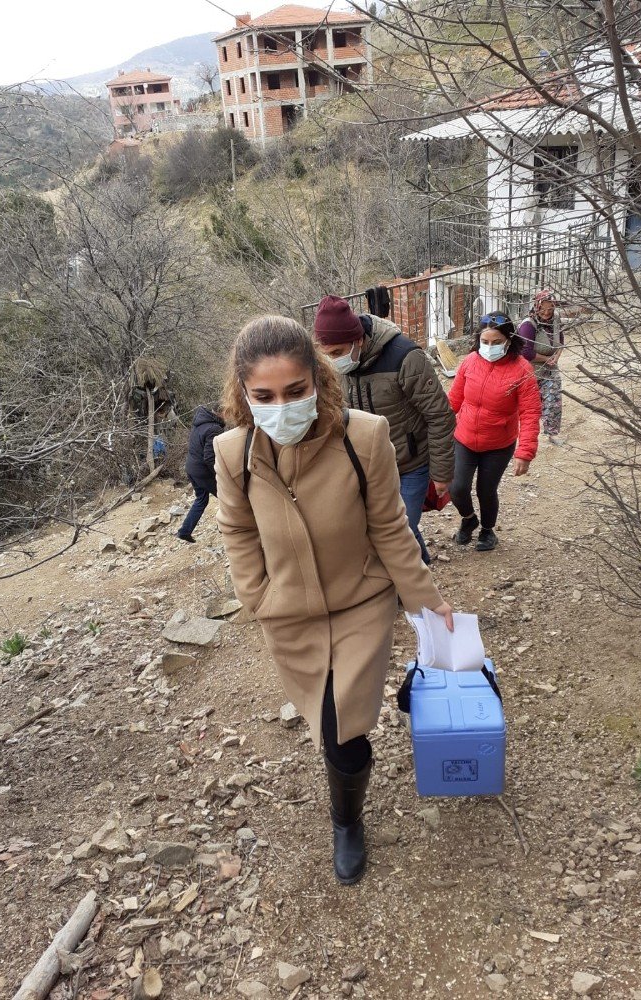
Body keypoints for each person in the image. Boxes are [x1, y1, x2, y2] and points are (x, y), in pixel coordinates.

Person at [214, 316, 453, 885]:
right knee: (327, 722)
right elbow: (238, 531)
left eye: (295, 391)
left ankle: (346, 821)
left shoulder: (363, 436)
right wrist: (258, 596)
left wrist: (428, 602)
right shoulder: (234, 452)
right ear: (244, 394)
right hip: (288, 615)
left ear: (318, 380)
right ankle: (345, 805)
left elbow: (393, 530)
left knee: (342, 727)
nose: (282, 405)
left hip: (360, 605)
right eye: (264, 396)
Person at [312, 295, 456, 565]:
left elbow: (440, 416)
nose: (332, 362)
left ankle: (411, 591)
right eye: (325, 355)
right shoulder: (337, 370)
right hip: (367, 466)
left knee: (398, 530)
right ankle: (420, 568)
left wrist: (441, 473)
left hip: (410, 465)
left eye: (337, 353)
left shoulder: (405, 357)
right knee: (390, 531)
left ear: (358, 340)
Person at [448, 312, 542, 551]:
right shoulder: (469, 361)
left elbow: (530, 412)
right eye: (485, 342)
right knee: (457, 488)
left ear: (508, 340)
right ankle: (469, 520)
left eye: (496, 342)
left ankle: (487, 532)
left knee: (486, 490)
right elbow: (453, 400)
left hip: (499, 444)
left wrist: (525, 452)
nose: (489, 347)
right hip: (465, 437)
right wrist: (438, 430)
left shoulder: (522, 370)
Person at [517, 289, 565, 445]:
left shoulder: (556, 320)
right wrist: (546, 358)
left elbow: (560, 341)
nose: (546, 313)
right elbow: (526, 352)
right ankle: (523, 437)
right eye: (543, 309)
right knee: (529, 405)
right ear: (536, 306)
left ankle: (552, 434)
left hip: (550, 367)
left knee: (553, 398)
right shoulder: (528, 325)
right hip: (529, 369)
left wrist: (556, 357)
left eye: (550, 309)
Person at [177, 403, 225, 543]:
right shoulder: (214, 429)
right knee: (227, 496)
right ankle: (225, 525)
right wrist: (220, 474)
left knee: (201, 500)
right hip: (203, 471)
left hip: (191, 468)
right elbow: (210, 457)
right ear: (220, 413)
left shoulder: (199, 423)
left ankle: (184, 531)